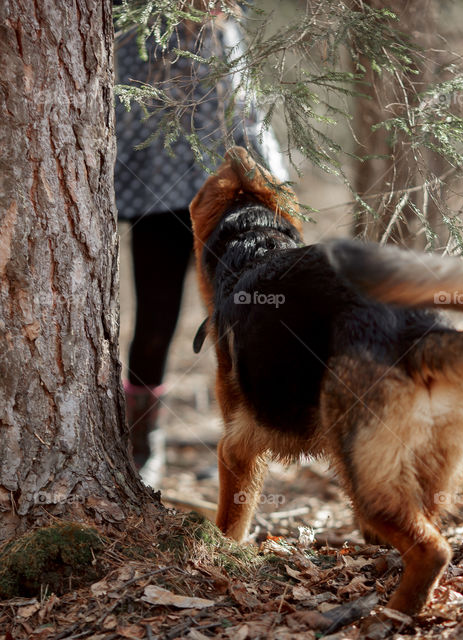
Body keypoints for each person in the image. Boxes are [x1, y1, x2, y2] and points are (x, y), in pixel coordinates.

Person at [114, 6, 286, 486]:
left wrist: (266, 178)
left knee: (254, 316)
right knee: (154, 326)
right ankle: (142, 443)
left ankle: (252, 438)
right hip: (158, 195)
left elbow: (245, 105)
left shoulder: (226, 22)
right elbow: (126, 114)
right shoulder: (135, 25)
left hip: (233, 193)